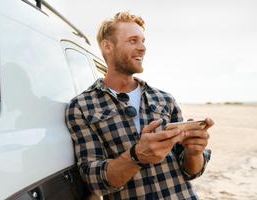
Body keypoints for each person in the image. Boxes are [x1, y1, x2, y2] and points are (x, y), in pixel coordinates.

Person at [65, 11, 214, 200]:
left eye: (143, 41)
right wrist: (136, 156)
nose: (143, 48)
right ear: (108, 46)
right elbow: (94, 180)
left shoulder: (165, 99)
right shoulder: (81, 107)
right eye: (133, 40)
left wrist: (194, 153)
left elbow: (191, 171)